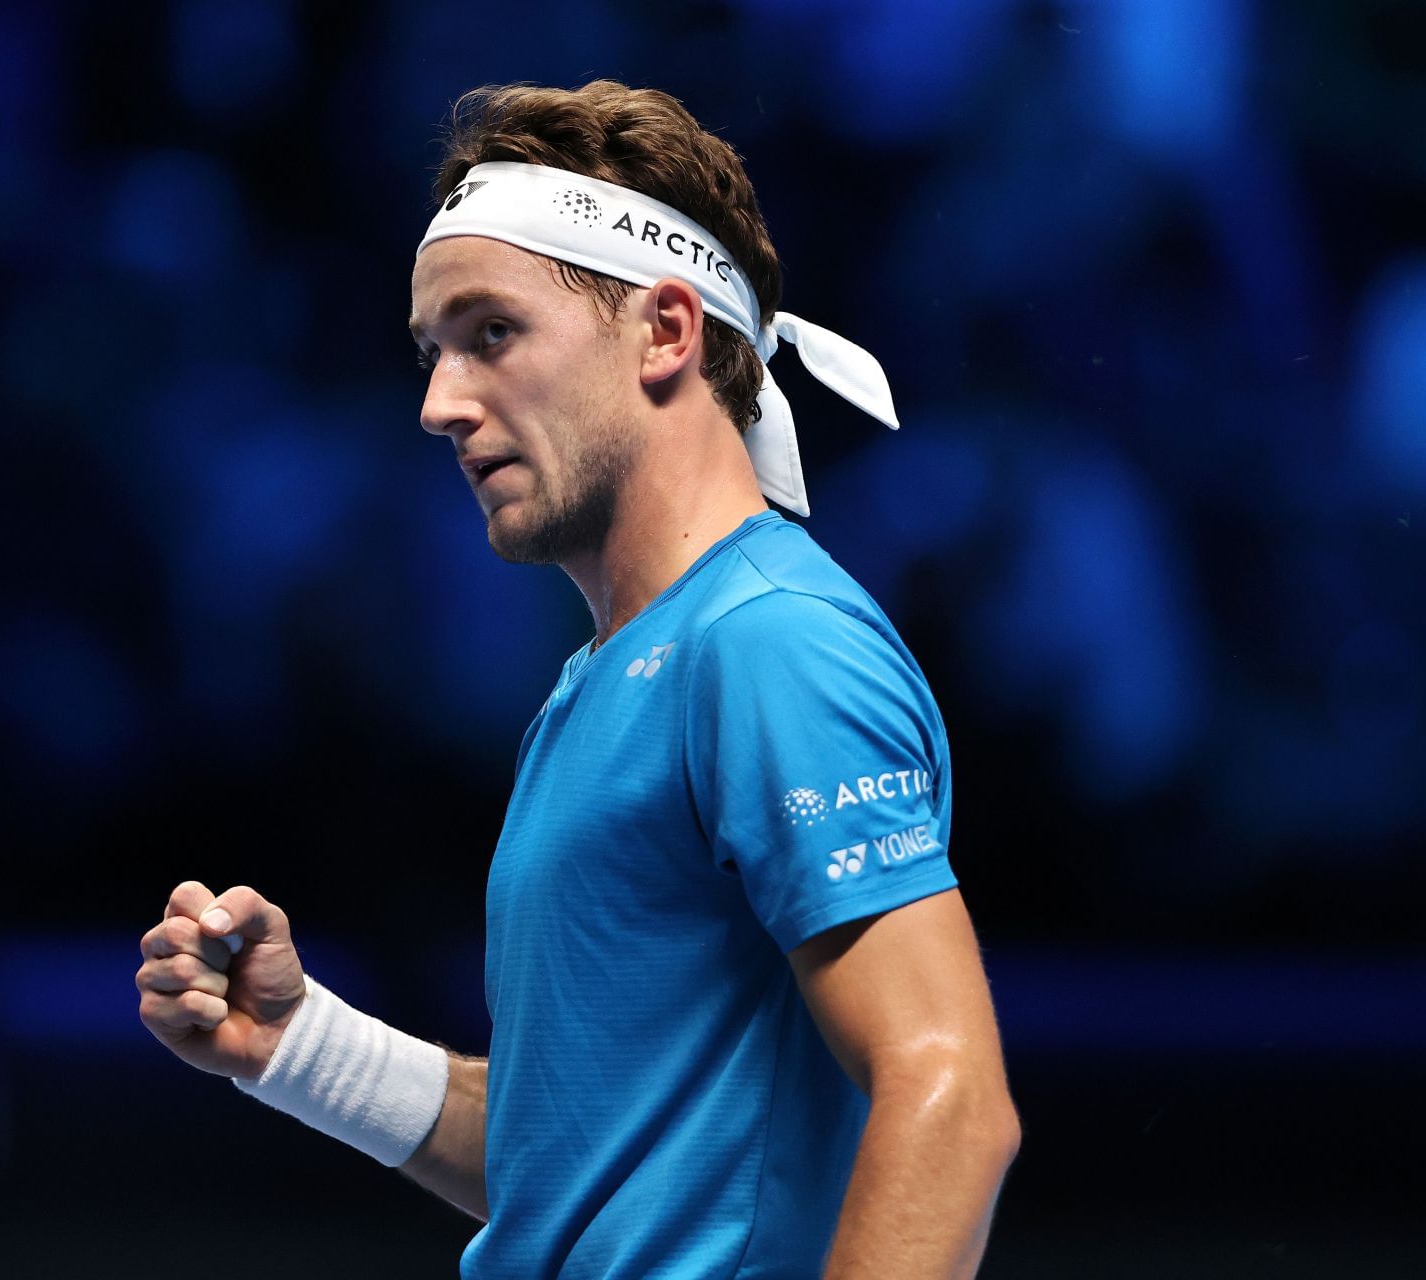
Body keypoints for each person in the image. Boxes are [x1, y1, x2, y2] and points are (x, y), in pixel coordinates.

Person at [137, 80, 1020, 1278]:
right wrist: (302, 1045)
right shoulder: (607, 681)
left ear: (666, 331)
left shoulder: (771, 641)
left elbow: (951, 1095)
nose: (440, 403)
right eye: (432, 351)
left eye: (490, 332)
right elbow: (587, 1167)